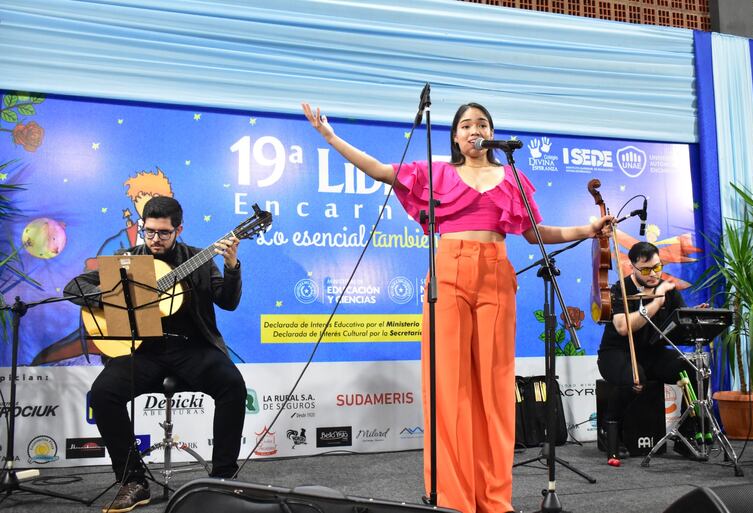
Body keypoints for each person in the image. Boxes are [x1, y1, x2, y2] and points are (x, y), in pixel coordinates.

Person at [302, 102, 612, 513]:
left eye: (482, 123)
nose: (474, 129)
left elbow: (539, 233)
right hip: (448, 271)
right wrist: (330, 136)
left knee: (495, 387)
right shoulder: (437, 173)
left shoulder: (512, 176)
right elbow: (379, 170)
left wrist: (587, 229)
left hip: (496, 274)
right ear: (454, 135)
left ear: (491, 133)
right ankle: (455, 499)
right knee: (450, 388)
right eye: (466, 124)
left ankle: (494, 499)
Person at [64, 196, 246, 513]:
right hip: (141, 351)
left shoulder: (199, 259)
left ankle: (222, 481)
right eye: (149, 232)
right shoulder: (127, 259)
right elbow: (75, 287)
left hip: (191, 347)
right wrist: (111, 298)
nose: (155, 239)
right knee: (103, 394)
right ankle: (133, 480)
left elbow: (227, 301)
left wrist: (232, 267)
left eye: (163, 233)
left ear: (178, 230)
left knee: (232, 384)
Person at [597, 241, 705, 460]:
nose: (653, 274)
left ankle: (687, 436)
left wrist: (694, 316)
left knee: (693, 369)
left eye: (657, 267)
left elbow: (678, 321)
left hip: (652, 353)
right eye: (646, 270)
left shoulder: (668, 288)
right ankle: (610, 428)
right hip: (617, 353)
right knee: (634, 380)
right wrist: (657, 300)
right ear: (633, 267)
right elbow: (622, 327)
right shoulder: (620, 289)